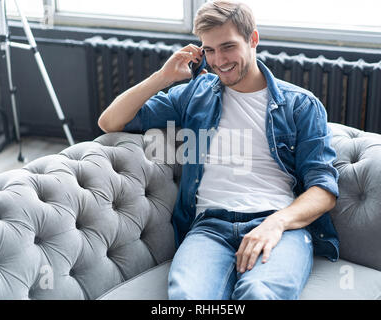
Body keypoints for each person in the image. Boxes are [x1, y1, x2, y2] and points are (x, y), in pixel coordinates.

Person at [98, 0, 340, 300]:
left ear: (253, 39)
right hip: (209, 228)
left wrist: (276, 224)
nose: (218, 60)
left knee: (258, 294)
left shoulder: (301, 105)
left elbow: (324, 189)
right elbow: (110, 121)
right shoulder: (193, 94)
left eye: (227, 47)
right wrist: (163, 77)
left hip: (278, 225)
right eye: (209, 50)